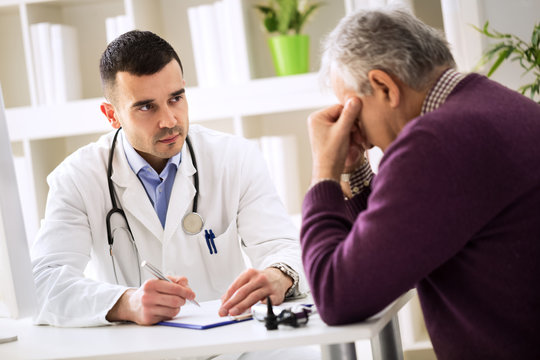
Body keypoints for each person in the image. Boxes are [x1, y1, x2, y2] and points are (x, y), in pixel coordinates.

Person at [301, 8, 540, 360]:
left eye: (352, 110)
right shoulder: (496, 106)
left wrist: (324, 170)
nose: (357, 132)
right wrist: (352, 171)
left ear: (384, 86)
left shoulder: (435, 141)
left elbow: (335, 295)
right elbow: (387, 257)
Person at [31, 30, 308, 329]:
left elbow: (285, 246)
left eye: (175, 98)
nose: (169, 121)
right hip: (143, 349)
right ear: (112, 115)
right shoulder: (77, 178)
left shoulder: (235, 158)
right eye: (146, 107)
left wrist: (281, 274)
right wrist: (126, 303)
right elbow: (43, 283)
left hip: (235, 345)